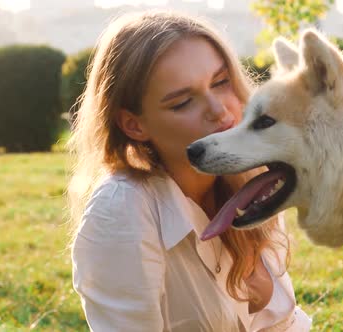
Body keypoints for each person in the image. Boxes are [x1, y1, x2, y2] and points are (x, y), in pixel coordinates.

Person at [67, 10, 312, 331]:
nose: (219, 110)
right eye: (182, 102)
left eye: (221, 82)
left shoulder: (255, 181)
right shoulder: (122, 210)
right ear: (134, 125)